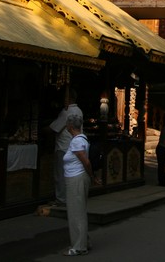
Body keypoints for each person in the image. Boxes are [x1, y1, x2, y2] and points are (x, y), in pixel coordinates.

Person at [62, 113, 99, 256]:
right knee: (78, 211)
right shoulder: (79, 139)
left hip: (76, 178)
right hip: (77, 177)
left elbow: (86, 161)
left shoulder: (77, 142)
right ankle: (84, 241)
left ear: (70, 126)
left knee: (76, 213)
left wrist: (92, 176)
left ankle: (78, 246)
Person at [48, 88, 83, 206]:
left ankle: (61, 199)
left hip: (64, 146)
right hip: (75, 146)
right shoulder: (79, 110)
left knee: (61, 175)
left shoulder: (66, 112)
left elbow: (55, 128)